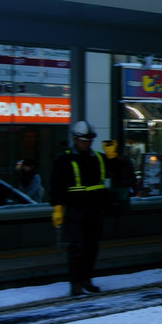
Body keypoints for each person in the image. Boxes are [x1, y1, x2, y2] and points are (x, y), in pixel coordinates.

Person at [49, 120, 110, 297]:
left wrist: (115, 158)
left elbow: (117, 173)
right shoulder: (64, 160)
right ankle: (75, 283)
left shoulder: (98, 158)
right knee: (77, 247)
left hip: (95, 209)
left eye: (90, 140)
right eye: (84, 140)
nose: (87, 143)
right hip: (76, 211)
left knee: (92, 246)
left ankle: (87, 280)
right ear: (75, 139)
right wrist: (58, 208)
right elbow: (56, 186)